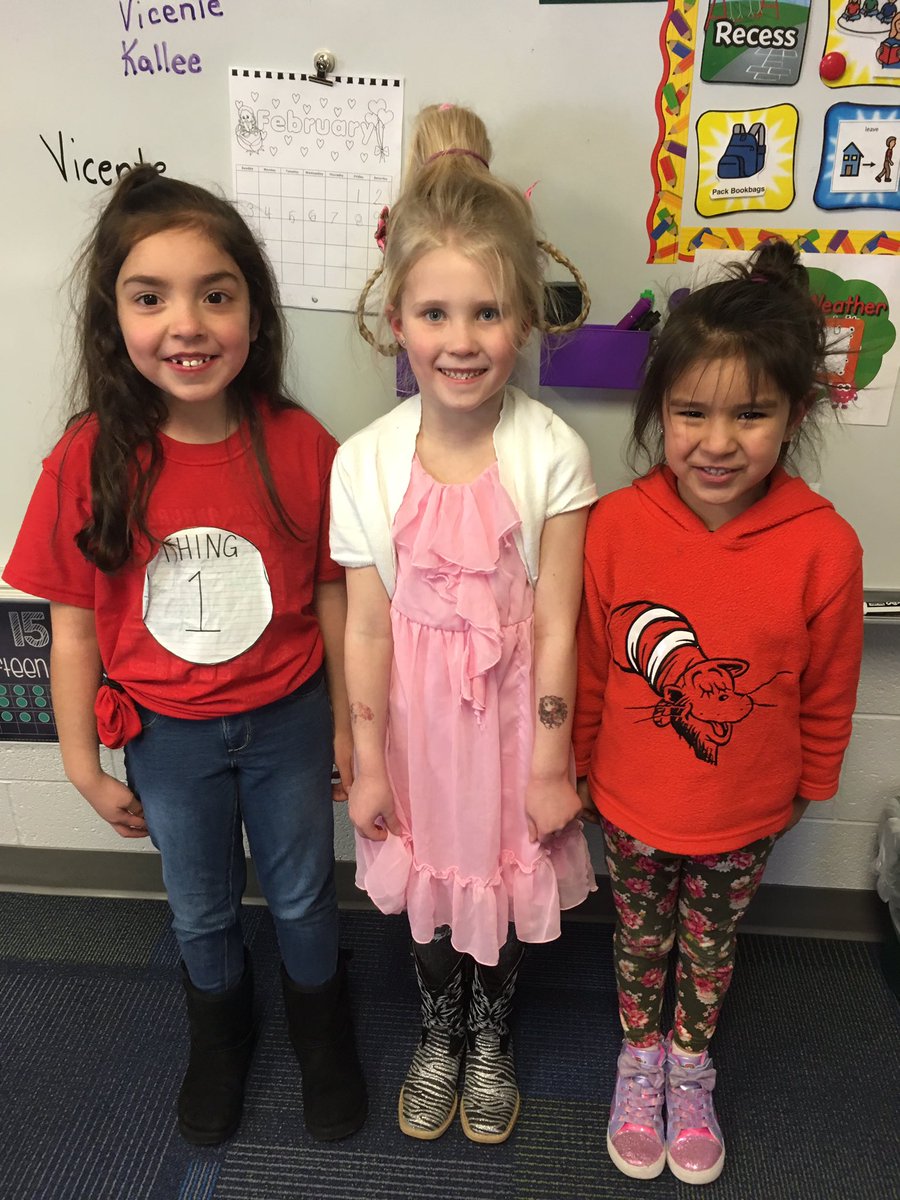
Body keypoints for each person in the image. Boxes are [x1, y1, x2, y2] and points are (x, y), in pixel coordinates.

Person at [2, 165, 366, 1147]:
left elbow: (333, 593)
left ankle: (321, 1032)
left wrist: (345, 723)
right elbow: (72, 624)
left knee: (301, 894)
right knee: (200, 905)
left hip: (289, 721)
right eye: (149, 296)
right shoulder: (88, 457)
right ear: (111, 315)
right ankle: (220, 1035)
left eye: (217, 293)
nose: (187, 322)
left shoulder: (301, 445)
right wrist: (81, 761)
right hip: (166, 738)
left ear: (254, 310)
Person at [330, 103, 598, 1145]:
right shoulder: (366, 461)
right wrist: (365, 756)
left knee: (500, 880)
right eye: (436, 314)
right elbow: (363, 626)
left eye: (487, 313)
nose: (462, 340)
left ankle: (492, 1029)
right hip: (414, 732)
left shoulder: (551, 453)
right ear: (396, 319)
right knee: (431, 885)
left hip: (510, 735)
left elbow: (562, 624)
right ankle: (439, 1026)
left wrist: (549, 754)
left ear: (524, 320)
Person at [574, 239, 863, 1185]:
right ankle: (639, 1058)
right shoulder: (614, 527)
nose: (717, 440)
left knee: (710, 945)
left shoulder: (824, 548)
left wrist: (813, 782)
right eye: (691, 411)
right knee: (639, 937)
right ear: (659, 410)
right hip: (629, 802)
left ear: (795, 415)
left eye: (752, 414)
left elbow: (828, 684)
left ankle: (689, 1066)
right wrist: (576, 762)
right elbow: (584, 660)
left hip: (749, 808)